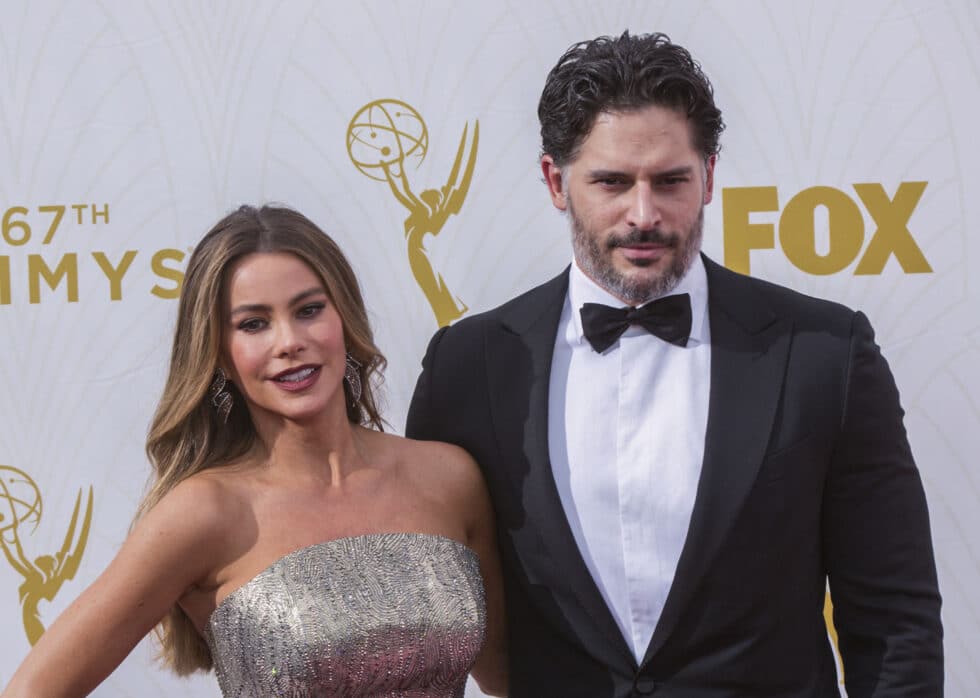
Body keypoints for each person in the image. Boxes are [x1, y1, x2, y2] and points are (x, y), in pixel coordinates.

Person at [406, 31, 943, 696]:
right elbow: (432, 620)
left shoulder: (822, 353)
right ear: (555, 181)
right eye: (611, 182)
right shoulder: (469, 366)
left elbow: (895, 620)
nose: (644, 214)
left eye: (670, 181)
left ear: (710, 176)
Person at [3, 205, 507, 697]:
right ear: (219, 354)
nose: (289, 341)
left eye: (309, 310)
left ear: (344, 319)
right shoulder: (205, 512)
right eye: (253, 324)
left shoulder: (449, 478)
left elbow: (510, 679)